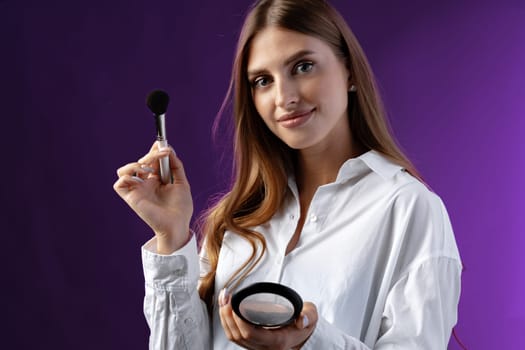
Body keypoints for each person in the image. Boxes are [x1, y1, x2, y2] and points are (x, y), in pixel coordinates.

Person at [113, 0, 462, 348]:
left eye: (303, 66)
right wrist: (172, 236)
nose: (284, 97)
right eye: (263, 80)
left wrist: (309, 342)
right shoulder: (235, 221)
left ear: (350, 72)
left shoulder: (408, 209)